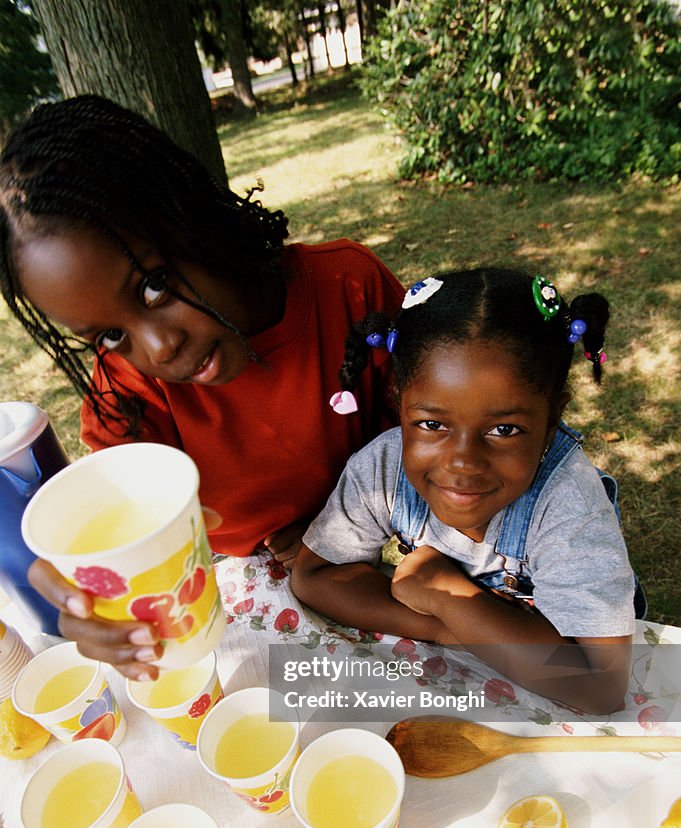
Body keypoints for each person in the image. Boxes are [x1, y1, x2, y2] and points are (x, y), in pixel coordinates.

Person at [0, 94, 403, 679]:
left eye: (154, 286)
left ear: (190, 214)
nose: (158, 348)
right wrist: (73, 577)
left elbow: (426, 439)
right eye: (111, 334)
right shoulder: (128, 396)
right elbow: (116, 512)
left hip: (370, 551)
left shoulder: (350, 289)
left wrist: (335, 529)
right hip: (233, 597)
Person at [291, 268, 639, 714]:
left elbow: (600, 684)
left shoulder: (569, 506)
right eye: (432, 424)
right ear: (398, 401)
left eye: (504, 429)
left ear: (553, 419)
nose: (463, 462)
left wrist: (443, 593)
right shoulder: (381, 469)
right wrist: (445, 628)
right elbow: (315, 575)